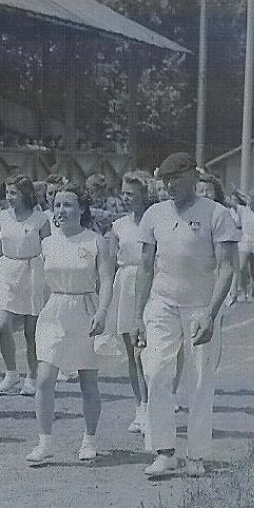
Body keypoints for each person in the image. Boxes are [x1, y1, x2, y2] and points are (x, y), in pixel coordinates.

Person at [134, 153, 238, 479]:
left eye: (175, 179)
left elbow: (227, 267)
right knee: (156, 372)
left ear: (193, 176)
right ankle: (164, 451)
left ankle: (196, 454)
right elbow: (146, 267)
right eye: (164, 180)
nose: (169, 186)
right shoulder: (154, 214)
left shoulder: (217, 214)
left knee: (200, 381)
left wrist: (211, 313)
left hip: (200, 307)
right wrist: (138, 315)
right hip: (161, 303)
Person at [26, 182, 116, 465]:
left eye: (68, 205)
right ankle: (45, 442)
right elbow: (38, 284)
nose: (61, 210)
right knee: (44, 379)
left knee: (88, 381)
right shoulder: (47, 243)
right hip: (55, 311)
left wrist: (102, 312)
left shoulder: (94, 241)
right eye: (57, 205)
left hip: (86, 309)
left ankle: (89, 440)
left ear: (82, 209)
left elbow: (106, 281)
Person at [0, 175, 50, 396]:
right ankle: (11, 373)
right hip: (7, 270)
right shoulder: (2, 217)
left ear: (25, 194)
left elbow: (49, 253)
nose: (9, 197)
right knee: (2, 325)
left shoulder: (41, 219)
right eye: (7, 192)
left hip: (34, 271)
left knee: (31, 331)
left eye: (13, 193)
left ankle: (32, 376)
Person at [108, 172, 151, 433]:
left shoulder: (154, 220)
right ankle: (140, 407)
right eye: (124, 193)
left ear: (144, 195)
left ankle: (152, 404)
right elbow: (111, 262)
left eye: (132, 194)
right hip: (124, 284)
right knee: (131, 352)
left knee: (144, 352)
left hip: (148, 283)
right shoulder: (118, 225)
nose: (127, 198)